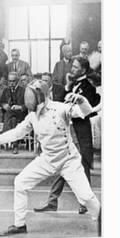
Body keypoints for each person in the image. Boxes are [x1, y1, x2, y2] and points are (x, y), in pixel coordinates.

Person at [0, 79, 101, 237]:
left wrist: (81, 100)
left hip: (68, 160)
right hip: (47, 159)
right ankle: (19, 224)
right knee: (20, 182)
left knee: (85, 197)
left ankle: (101, 217)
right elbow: (17, 133)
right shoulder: (32, 116)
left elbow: (86, 112)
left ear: (41, 95)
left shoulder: (60, 108)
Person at [34, 56, 101, 214]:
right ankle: (53, 201)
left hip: (81, 130)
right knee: (65, 164)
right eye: (73, 66)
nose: (72, 69)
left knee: (81, 165)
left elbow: (87, 109)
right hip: (68, 129)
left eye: (76, 67)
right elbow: (60, 102)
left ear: (83, 70)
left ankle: (84, 203)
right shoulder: (74, 84)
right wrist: (68, 85)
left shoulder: (89, 86)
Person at [0, 72, 27, 154]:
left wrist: (20, 107)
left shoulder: (23, 91)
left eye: (13, 81)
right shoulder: (6, 90)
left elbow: (28, 105)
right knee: (13, 120)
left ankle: (3, 136)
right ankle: (15, 146)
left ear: (18, 81)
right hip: (12, 118)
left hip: (21, 115)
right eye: (10, 81)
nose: (11, 83)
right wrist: (4, 105)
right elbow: (1, 102)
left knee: (10, 114)